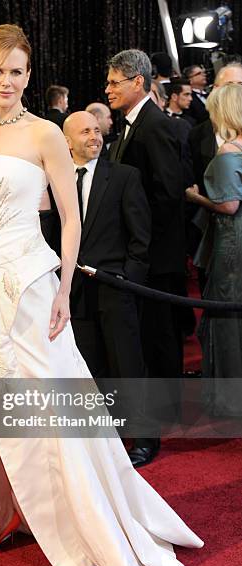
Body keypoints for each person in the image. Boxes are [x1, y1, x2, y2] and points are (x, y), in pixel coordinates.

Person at [0, 24, 203, 566]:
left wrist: (64, 287)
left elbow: (69, 217)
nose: (6, 81)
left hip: (32, 287)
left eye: (17, 71)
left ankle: (82, 512)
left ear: (28, 77)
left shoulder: (45, 136)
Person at [108, 49, 185, 467]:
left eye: (114, 82)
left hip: (155, 256)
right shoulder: (135, 125)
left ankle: (158, 423)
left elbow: (168, 192)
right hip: (146, 254)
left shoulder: (153, 126)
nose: (108, 89)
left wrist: (136, 241)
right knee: (155, 338)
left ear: (138, 82)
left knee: (157, 338)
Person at [63, 111, 150, 381]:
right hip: (72, 293)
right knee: (86, 369)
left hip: (115, 289)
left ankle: (135, 423)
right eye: (85, 132)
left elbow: (141, 237)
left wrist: (128, 281)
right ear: (67, 142)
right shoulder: (55, 180)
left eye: (97, 131)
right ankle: (96, 423)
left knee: (126, 366)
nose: (94, 137)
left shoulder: (125, 176)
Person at [186, 84, 242, 417]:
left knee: (227, 316)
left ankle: (231, 400)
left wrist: (196, 197)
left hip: (232, 244)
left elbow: (229, 206)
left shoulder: (229, 153)